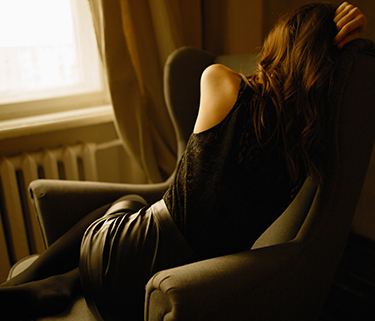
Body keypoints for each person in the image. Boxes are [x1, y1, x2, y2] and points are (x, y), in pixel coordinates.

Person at [0, 2, 367, 320]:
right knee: (135, 213)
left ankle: (30, 281)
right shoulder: (306, 156)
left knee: (126, 205)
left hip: (120, 259)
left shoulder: (221, 80)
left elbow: (200, 165)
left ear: (282, 47)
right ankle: (64, 281)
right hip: (170, 287)